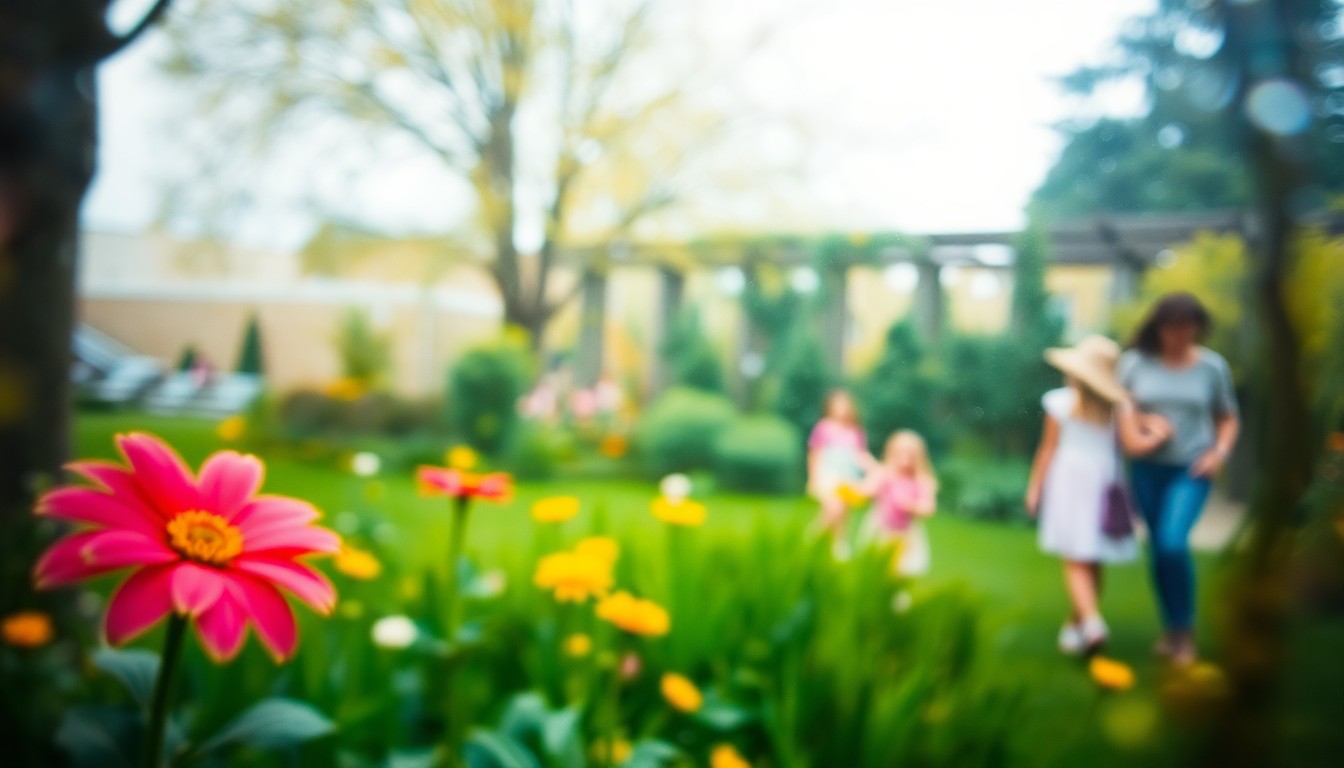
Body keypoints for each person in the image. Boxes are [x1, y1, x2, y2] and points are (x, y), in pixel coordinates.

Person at [1117, 292, 1240, 665]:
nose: (1180, 334)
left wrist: (1219, 452)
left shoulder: (1212, 368)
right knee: (1158, 549)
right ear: (1159, 327)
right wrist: (1146, 423)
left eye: (1188, 326)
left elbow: (1227, 416)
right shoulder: (1135, 364)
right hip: (1148, 469)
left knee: (1172, 543)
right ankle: (1171, 630)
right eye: (1172, 326)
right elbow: (1122, 409)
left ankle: (1184, 635)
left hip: (1192, 468)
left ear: (1199, 328)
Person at [1026, 335, 1168, 654]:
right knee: (1091, 557)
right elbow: (1134, 446)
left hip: (1069, 480)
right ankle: (1078, 625)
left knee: (1075, 557)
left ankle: (1089, 621)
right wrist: (1157, 435)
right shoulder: (1120, 406)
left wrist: (1035, 487)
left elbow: (1047, 450)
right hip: (1104, 482)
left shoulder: (1060, 402)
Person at [807, 389, 875, 559]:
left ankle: (837, 546)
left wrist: (874, 469)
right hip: (828, 475)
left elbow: (860, 455)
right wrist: (813, 479)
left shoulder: (856, 432)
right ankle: (813, 539)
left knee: (843, 513)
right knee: (833, 508)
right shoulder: (824, 427)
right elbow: (815, 454)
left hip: (848, 477)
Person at [860, 430, 937, 578]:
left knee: (901, 570)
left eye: (910, 454)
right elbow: (867, 491)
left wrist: (912, 506)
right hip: (880, 530)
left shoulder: (922, 480)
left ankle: (897, 599)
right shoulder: (884, 473)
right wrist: (870, 475)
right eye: (899, 453)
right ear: (891, 453)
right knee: (875, 568)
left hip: (906, 535)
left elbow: (929, 508)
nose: (905, 458)